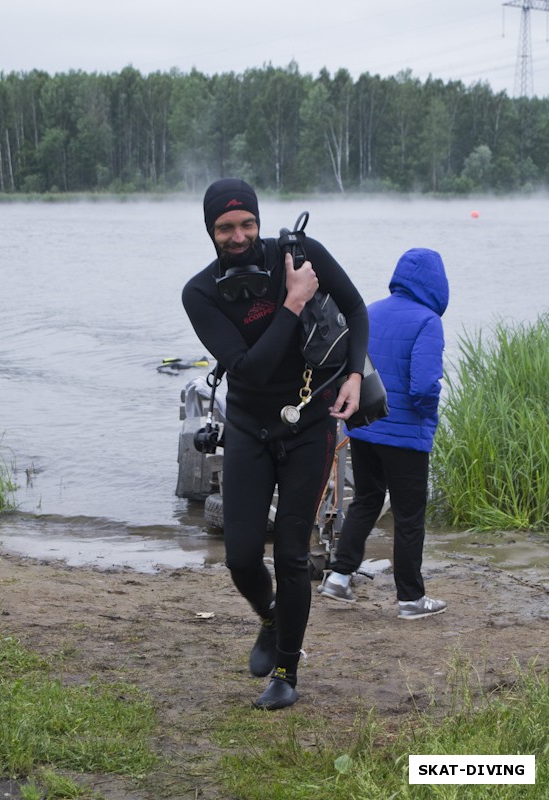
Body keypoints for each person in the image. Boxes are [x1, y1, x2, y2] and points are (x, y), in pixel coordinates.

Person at [182, 178, 369, 709]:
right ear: (210, 231)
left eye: (246, 224)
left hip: (310, 425)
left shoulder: (301, 254)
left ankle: (287, 670)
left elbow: (355, 309)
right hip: (247, 426)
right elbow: (251, 370)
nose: (238, 236)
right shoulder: (200, 293)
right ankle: (270, 616)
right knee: (241, 558)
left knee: (291, 554)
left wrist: (354, 375)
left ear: (259, 223)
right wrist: (292, 301)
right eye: (225, 228)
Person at [318, 247, 449, 620]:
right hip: (405, 436)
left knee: (366, 499)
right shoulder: (428, 321)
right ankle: (410, 599)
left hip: (365, 427)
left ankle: (339, 578)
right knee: (409, 516)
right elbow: (424, 386)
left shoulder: (371, 311)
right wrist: (425, 417)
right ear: (437, 283)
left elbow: (350, 367)